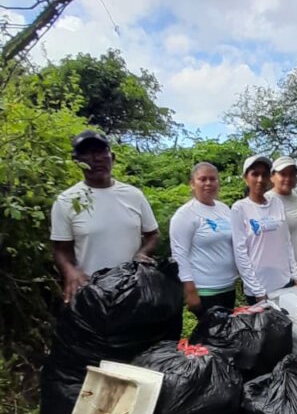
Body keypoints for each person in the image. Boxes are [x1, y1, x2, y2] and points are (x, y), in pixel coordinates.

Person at [51, 130, 159, 303]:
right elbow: (61, 249)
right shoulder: (66, 201)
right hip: (92, 294)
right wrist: (70, 271)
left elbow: (153, 234)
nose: (96, 159)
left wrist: (142, 253)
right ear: (76, 162)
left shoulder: (134, 195)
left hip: (135, 291)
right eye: (86, 153)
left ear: (112, 157)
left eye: (101, 152)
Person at [231, 155, 297, 304]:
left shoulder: (276, 203)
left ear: (269, 177)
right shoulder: (240, 208)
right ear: (245, 178)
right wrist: (257, 289)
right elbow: (240, 253)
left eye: (264, 174)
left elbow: (286, 241)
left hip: (284, 282)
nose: (260, 179)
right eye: (255, 174)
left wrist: (295, 274)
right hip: (259, 289)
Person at [169, 161, 238, 313]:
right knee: (213, 334)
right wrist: (190, 291)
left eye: (213, 179)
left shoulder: (224, 209)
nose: (208, 183)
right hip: (205, 290)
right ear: (192, 184)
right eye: (203, 179)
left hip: (228, 285)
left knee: (227, 333)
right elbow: (179, 255)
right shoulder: (185, 215)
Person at [265, 156, 297, 290]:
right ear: (272, 176)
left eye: (292, 174)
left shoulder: (296, 196)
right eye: (283, 174)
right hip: (286, 277)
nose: (288, 178)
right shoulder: (268, 201)